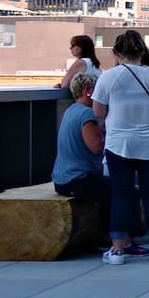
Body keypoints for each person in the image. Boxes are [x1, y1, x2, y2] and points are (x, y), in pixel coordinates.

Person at [92, 29, 149, 263]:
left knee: (121, 196)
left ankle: (117, 250)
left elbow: (98, 111)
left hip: (120, 143)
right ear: (142, 51)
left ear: (117, 53)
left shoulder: (108, 77)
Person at [51, 71, 110, 242]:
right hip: (77, 180)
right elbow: (96, 146)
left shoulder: (71, 111)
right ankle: (108, 236)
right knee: (118, 191)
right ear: (88, 90)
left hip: (62, 180)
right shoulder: (86, 114)